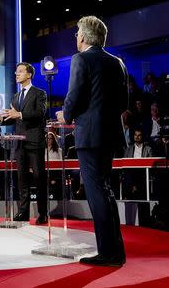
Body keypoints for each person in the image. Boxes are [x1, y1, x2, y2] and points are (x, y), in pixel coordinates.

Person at [56, 16, 127, 267]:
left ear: (84, 37)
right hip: (110, 135)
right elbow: (123, 104)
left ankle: (108, 253)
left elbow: (73, 97)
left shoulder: (81, 59)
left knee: (97, 194)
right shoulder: (117, 62)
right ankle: (115, 250)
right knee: (105, 191)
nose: (75, 37)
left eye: (76, 33)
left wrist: (65, 113)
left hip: (90, 135)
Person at [0, 62, 47, 225]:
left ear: (29, 75)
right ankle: (23, 212)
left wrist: (19, 113)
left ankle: (43, 213)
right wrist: (1, 119)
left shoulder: (39, 93)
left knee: (38, 177)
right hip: (19, 143)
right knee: (21, 179)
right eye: (16, 72)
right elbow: (13, 117)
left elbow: (39, 114)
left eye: (20, 71)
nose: (16, 74)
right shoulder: (15, 96)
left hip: (35, 142)